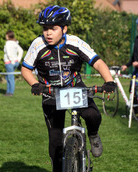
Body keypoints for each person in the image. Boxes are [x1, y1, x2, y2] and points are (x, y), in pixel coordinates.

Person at [21, 5, 116, 172]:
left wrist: (108, 81)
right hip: (50, 91)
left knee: (91, 114)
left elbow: (98, 62)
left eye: (53, 28)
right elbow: (26, 69)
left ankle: (93, 134)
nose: (48, 33)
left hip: (74, 86)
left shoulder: (75, 42)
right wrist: (35, 84)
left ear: (64, 28)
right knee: (55, 139)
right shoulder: (37, 44)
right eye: (45, 28)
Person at [121, 18, 138, 110]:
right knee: (132, 90)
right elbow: (134, 56)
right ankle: (134, 112)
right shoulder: (136, 39)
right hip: (136, 71)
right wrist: (127, 65)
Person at [4, 30, 23, 96]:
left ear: (8, 36)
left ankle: (10, 92)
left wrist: (12, 61)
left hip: (9, 63)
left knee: (10, 77)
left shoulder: (8, 43)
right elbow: (21, 51)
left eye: (6, 35)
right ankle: (8, 91)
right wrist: (18, 60)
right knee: (9, 77)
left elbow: (9, 53)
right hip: (15, 62)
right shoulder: (15, 43)